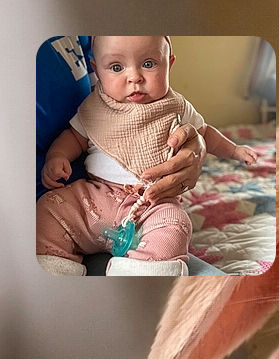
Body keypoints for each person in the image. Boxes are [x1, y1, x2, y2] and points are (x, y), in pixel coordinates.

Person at [36, 35, 257, 277]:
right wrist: (57, 156)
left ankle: (142, 270)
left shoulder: (176, 107)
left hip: (153, 203)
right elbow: (74, 137)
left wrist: (235, 150)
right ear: (96, 69)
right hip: (93, 199)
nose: (135, 77)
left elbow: (205, 133)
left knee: (175, 224)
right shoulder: (94, 108)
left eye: (149, 64)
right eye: (117, 68)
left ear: (169, 63)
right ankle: (54, 266)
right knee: (50, 210)